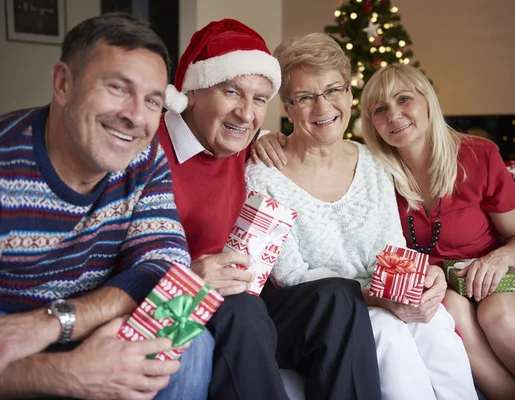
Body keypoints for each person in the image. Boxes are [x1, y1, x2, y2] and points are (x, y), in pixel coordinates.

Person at [158, 19, 385, 400]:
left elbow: (276, 140)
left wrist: (268, 140)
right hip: (178, 301)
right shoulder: (148, 151)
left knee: (338, 295)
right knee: (241, 308)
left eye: (260, 99)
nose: (246, 114)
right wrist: (189, 278)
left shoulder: (252, 149)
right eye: (232, 92)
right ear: (192, 92)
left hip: (250, 303)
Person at [247, 32, 477, 400]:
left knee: (434, 324)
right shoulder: (263, 173)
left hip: (384, 294)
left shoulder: (372, 162)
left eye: (334, 90)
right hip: (330, 313)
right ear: (287, 107)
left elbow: (393, 249)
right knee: (388, 331)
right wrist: (377, 298)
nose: (323, 108)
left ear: (349, 94)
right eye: (306, 97)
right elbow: (291, 276)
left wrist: (421, 279)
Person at [0, 13, 213, 400]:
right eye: (118, 88)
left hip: (83, 326)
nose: (134, 116)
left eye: (152, 100)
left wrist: (54, 322)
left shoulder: (144, 159)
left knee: (188, 338)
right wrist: (66, 373)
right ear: (64, 83)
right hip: (9, 339)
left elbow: (166, 268)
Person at [358, 63, 515, 400]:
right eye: (380, 109)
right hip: (435, 282)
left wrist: (497, 259)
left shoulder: (478, 155)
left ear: (427, 101)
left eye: (403, 99)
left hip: (493, 269)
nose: (394, 115)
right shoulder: (374, 172)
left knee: (499, 315)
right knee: (449, 310)